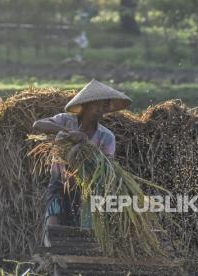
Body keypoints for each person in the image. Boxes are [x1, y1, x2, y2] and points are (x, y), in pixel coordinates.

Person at [32, 79, 132, 247]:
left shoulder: (106, 137)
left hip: (88, 189)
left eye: (105, 106)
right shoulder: (65, 120)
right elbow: (38, 125)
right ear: (87, 104)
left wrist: (85, 146)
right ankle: (53, 256)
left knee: (86, 232)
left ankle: (82, 258)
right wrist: (69, 133)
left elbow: (108, 168)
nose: (102, 110)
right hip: (59, 182)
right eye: (99, 105)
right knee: (53, 223)